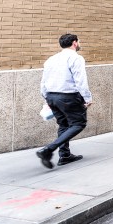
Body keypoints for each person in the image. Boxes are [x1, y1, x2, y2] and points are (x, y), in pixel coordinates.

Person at [36, 34, 93, 169]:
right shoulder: (76, 58)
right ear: (74, 43)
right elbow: (80, 81)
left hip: (52, 96)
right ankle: (48, 150)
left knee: (63, 124)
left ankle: (65, 155)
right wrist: (88, 98)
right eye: (79, 41)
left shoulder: (51, 59)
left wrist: (46, 98)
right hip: (68, 97)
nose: (79, 43)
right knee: (79, 123)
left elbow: (43, 82)